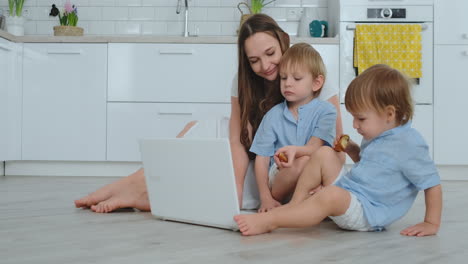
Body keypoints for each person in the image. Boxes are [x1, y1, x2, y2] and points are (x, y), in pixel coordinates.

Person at [74, 13, 344, 213]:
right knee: (199, 127)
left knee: (210, 182)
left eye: (271, 53)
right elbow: (239, 141)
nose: (265, 65)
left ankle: (142, 193)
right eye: (254, 61)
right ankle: (133, 185)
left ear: (283, 41)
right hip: (256, 156)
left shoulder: (310, 76)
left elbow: (336, 144)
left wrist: (326, 180)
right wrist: (236, 187)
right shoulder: (242, 81)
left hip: (279, 166)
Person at [234, 64, 443, 237]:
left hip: (367, 212)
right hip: (352, 193)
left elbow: (431, 183)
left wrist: (431, 222)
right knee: (324, 153)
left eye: (361, 118)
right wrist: (352, 150)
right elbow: (372, 167)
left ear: (389, 114)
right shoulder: (379, 134)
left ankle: (270, 221)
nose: (355, 124)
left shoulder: (409, 144)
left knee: (331, 195)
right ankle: (296, 206)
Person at [250, 43, 337, 212]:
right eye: (283, 78)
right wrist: (265, 197)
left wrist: (296, 151)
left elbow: (315, 146)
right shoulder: (273, 115)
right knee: (303, 161)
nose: (287, 84)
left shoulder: (326, 111)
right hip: (282, 174)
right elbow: (261, 159)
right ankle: (283, 203)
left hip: (315, 172)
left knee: (319, 161)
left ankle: (306, 202)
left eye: (296, 78)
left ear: (316, 83)